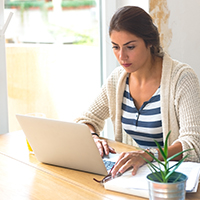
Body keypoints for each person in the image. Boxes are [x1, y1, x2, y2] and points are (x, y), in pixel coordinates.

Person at [75, 6, 200, 178]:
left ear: (149, 42)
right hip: (135, 175)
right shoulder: (117, 79)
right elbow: (85, 120)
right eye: (115, 47)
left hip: (171, 180)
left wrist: (148, 156)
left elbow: (192, 145)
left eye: (130, 47)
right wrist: (94, 138)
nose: (121, 56)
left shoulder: (181, 78)